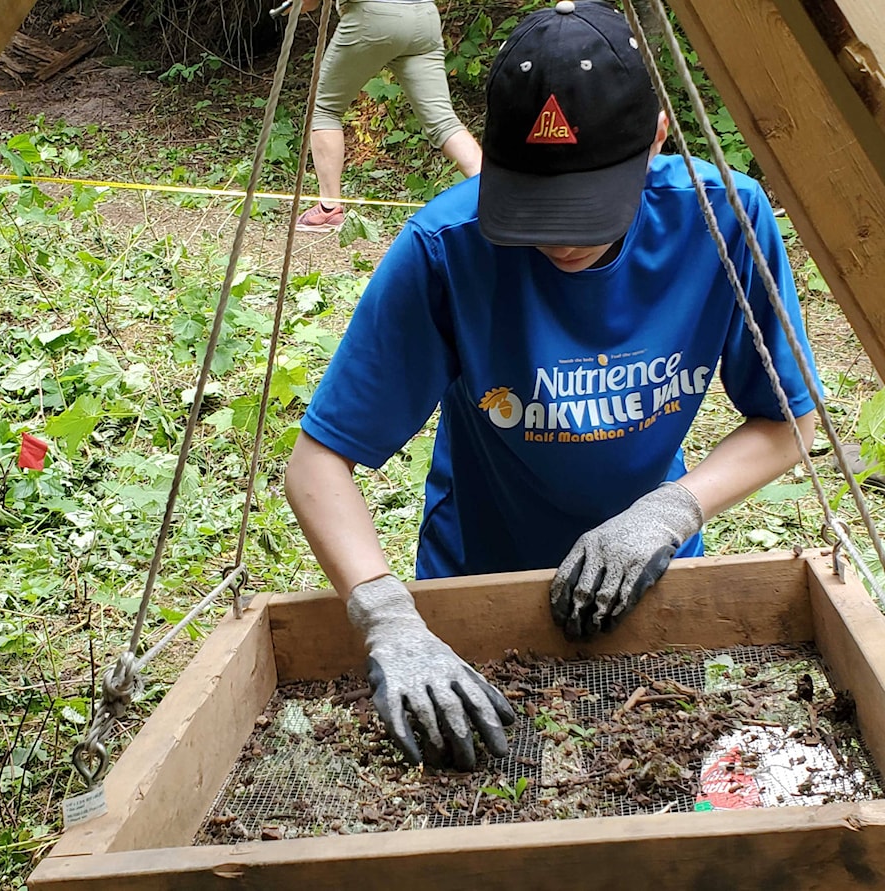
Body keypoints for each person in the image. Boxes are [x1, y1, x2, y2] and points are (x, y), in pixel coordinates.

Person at [285, 0, 820, 769]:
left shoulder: (721, 220)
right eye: (534, 209)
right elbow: (316, 464)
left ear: (657, 140)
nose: (562, 238)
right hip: (478, 583)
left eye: (588, 209)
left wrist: (669, 511)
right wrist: (386, 617)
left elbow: (792, 419)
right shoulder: (449, 246)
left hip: (650, 577)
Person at [294, 0, 482, 232]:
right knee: (443, 120)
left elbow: (309, 4)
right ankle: (494, 194)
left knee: (325, 109)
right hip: (424, 18)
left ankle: (328, 208)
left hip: (374, 17)